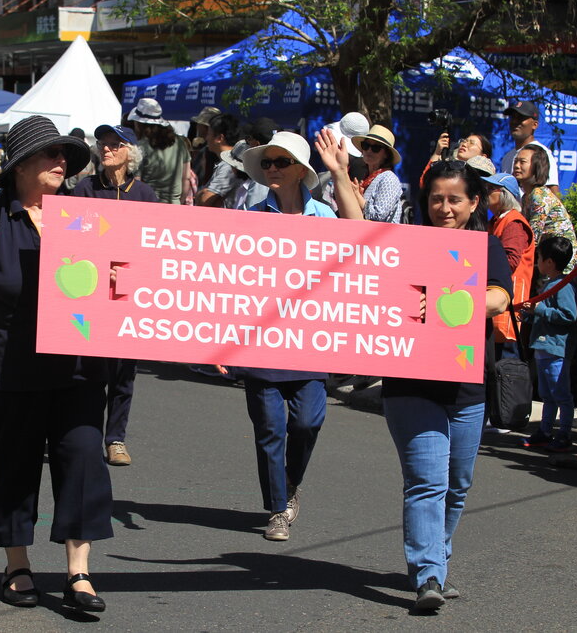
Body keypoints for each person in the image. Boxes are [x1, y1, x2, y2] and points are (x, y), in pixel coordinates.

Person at [316, 129, 512, 610]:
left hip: (466, 387)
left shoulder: (485, 247)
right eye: (437, 199)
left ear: (473, 203)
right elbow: (360, 232)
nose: (444, 208)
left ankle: (436, 560)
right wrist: (339, 174)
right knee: (428, 481)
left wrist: (446, 299)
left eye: (454, 200)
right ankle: (428, 576)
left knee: (458, 485)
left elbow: (499, 298)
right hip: (411, 384)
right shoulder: (407, 242)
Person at [0, 115, 111, 613]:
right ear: (19, 167)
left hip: (79, 368)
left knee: (84, 461)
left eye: (65, 155)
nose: (61, 162)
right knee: (15, 468)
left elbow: (123, 282)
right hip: (10, 372)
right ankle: (17, 565)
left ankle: (79, 573)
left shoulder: (88, 217)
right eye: (49, 154)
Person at [218, 131, 335, 542]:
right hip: (261, 342)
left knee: (307, 421)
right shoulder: (250, 217)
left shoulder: (326, 217)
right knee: (269, 429)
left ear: (301, 170)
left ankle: (289, 483)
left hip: (311, 341)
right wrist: (222, 340)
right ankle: (278, 509)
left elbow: (349, 278)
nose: (271, 169)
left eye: (280, 162)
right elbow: (232, 282)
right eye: (266, 163)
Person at [72, 124, 157, 466]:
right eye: (102, 144)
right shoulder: (85, 189)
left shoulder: (146, 195)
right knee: (88, 370)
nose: (106, 149)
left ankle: (116, 439)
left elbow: (153, 249)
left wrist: (132, 273)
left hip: (128, 298)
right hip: (90, 293)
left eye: (114, 145)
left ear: (130, 153)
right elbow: (72, 239)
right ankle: (87, 434)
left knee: (123, 373)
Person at [519, 236, 577, 453]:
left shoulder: (563, 286)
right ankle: (545, 431)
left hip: (556, 349)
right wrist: (529, 314)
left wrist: (540, 310)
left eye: (540, 258)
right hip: (545, 348)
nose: (537, 262)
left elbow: (569, 315)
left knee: (560, 394)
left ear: (549, 262)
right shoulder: (551, 284)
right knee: (547, 395)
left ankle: (564, 433)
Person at [483, 172, 534, 358]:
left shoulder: (514, 222)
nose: (486, 192)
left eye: (491, 189)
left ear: (504, 194)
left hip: (508, 304)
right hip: (497, 299)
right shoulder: (498, 220)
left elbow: (510, 261)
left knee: (505, 366)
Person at [513, 143, 577, 274]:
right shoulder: (527, 196)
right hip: (547, 259)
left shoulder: (539, 195)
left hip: (561, 264)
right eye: (516, 161)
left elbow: (532, 236)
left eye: (522, 162)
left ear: (536, 166)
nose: (516, 166)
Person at [129, 99, 191, 204]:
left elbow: (137, 181)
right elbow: (186, 177)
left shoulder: (140, 147)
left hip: (149, 203)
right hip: (174, 204)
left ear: (139, 123)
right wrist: (180, 201)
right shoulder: (180, 143)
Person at [499, 101, 560, 194]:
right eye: (513, 117)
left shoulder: (542, 153)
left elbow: (553, 195)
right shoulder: (507, 157)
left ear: (534, 125)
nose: (515, 121)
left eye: (521, 118)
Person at [348, 125, 405, 223]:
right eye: (366, 146)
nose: (369, 151)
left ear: (386, 154)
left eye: (376, 148)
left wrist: (357, 195)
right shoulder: (368, 178)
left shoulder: (389, 178)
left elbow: (378, 215)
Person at [194, 113, 241, 208]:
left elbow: (204, 200)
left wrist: (202, 193)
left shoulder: (228, 166)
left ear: (219, 138)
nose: (206, 138)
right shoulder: (226, 163)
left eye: (208, 134)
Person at [189, 106, 221, 188]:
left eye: (199, 124)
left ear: (206, 127)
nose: (197, 127)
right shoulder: (215, 147)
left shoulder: (209, 150)